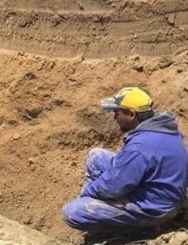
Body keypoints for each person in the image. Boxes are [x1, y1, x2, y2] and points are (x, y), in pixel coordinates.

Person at [63, 87, 188, 234]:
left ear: (131, 114)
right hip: (160, 193)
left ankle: (132, 230)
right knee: (95, 156)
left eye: (117, 112)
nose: (114, 117)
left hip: (153, 209)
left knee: (72, 212)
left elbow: (113, 186)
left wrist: (87, 192)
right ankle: (106, 205)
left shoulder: (140, 147)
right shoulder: (163, 129)